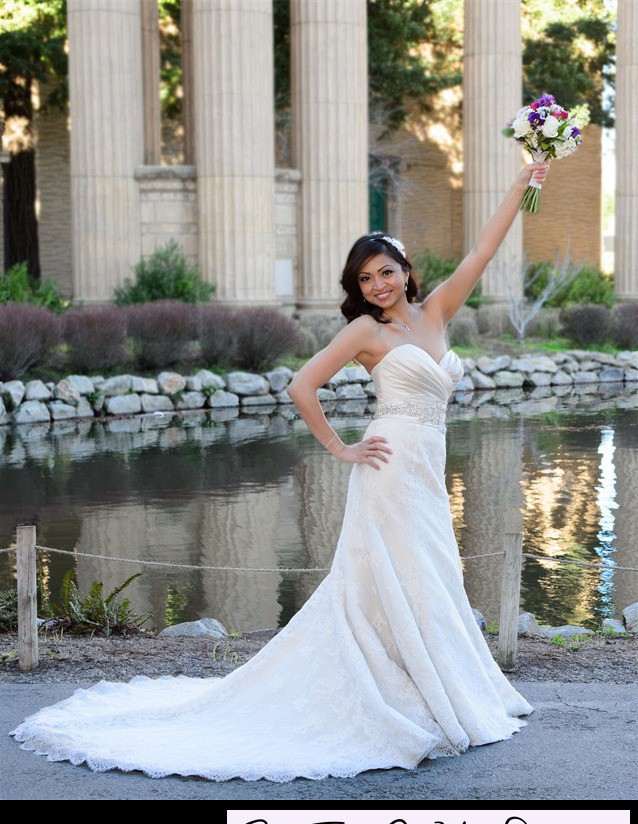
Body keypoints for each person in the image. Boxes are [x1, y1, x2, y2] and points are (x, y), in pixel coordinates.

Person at [11, 161, 549, 783]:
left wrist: (522, 182)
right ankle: (409, 695)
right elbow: (301, 385)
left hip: (427, 469)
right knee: (400, 575)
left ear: (405, 271)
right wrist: (343, 449)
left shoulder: (436, 312)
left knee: (431, 574)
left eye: (385, 272)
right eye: (365, 278)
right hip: (389, 463)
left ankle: (439, 688)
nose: (377, 285)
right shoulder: (363, 331)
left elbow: (484, 247)